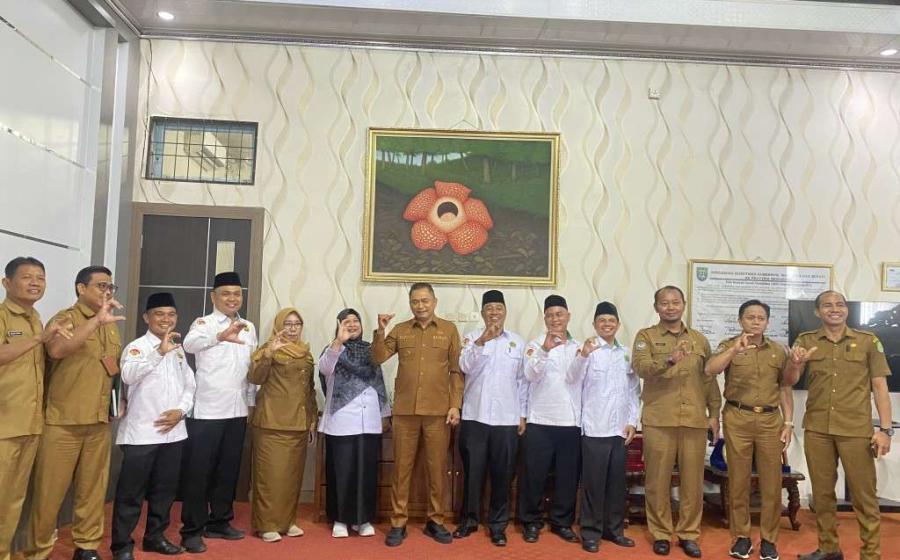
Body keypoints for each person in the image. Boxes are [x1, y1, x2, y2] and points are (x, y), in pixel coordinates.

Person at [25, 265, 125, 560]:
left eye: (110, 287)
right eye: (101, 286)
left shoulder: (110, 325)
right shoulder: (65, 318)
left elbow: (112, 368)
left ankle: (87, 546)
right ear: (81, 288)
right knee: (49, 493)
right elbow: (57, 350)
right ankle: (39, 550)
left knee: (92, 490)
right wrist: (95, 321)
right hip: (63, 422)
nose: (107, 291)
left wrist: (116, 402)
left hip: (98, 420)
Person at [786, 290, 893, 560]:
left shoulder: (868, 341)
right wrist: (796, 364)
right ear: (817, 311)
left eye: (840, 304)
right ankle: (829, 549)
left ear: (846, 309)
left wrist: (885, 430)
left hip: (855, 431)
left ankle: (871, 555)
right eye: (827, 305)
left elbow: (880, 387)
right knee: (822, 495)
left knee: (864, 497)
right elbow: (789, 380)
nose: (835, 309)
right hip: (818, 430)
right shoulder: (806, 341)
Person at [371, 282, 463, 547]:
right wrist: (381, 331)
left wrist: (455, 405)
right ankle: (398, 522)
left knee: (437, 469)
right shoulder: (400, 330)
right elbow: (378, 357)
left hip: (438, 412)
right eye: (415, 301)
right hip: (405, 412)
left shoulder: (449, 330)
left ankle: (436, 520)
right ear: (410, 303)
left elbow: (456, 371)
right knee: (401, 469)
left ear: (434, 302)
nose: (420, 306)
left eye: (425, 301)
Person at [632, 285, 721, 558]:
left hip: (694, 420)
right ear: (656, 307)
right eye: (664, 303)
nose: (670, 307)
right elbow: (641, 368)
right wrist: (669, 360)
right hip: (660, 419)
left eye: (675, 302)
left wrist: (714, 414)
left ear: (683, 304)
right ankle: (660, 533)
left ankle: (688, 534)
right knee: (657, 481)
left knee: (693, 482)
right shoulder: (646, 336)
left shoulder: (699, 340)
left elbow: (709, 378)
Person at [111, 293, 196, 560]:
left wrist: (181, 411)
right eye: (159, 314)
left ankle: (155, 537)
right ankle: (122, 545)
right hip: (141, 434)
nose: (165, 319)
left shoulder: (179, 350)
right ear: (146, 318)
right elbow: (128, 376)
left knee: (165, 491)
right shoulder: (136, 348)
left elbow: (190, 385)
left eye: (171, 314)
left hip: (173, 433)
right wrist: (159, 352)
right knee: (131, 494)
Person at [705, 299, 792, 560]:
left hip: (769, 420)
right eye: (750, 317)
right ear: (740, 320)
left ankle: (769, 540)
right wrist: (734, 350)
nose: (755, 322)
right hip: (737, 417)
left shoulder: (778, 351)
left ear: (767, 322)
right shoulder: (728, 345)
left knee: (771, 483)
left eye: (760, 318)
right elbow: (710, 369)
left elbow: (785, 388)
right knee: (738, 481)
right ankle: (741, 537)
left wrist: (788, 422)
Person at [179, 271, 258, 553]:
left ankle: (220, 521)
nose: (232, 298)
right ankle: (191, 530)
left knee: (228, 471)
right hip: (207, 411)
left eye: (237, 294)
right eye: (226, 294)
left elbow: (251, 368)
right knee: (199, 473)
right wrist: (219, 336)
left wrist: (251, 402)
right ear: (214, 297)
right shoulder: (204, 323)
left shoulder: (248, 327)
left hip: (237, 409)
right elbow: (189, 345)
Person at [0, 257, 70, 560]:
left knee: (14, 500)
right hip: (4, 423)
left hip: (30, 424)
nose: (35, 283)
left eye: (40, 277)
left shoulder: (36, 318)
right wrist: (39, 338)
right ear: (7, 283)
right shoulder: (3, 316)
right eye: (27, 277)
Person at [453, 290, 526, 547]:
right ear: (483, 312)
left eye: (498, 308)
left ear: (505, 311)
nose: (494, 312)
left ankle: (497, 525)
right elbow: (464, 366)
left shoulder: (517, 342)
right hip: (475, 416)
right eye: (489, 308)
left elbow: (522, 382)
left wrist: (522, 414)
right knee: (472, 473)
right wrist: (482, 340)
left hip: (507, 419)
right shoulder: (471, 337)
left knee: (502, 475)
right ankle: (469, 520)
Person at [567, 301, 639, 554]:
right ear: (595, 324)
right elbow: (572, 379)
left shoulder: (626, 353)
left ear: (618, 325)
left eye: (611, 320)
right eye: (602, 321)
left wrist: (632, 421)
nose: (607, 324)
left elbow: (633, 390)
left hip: (619, 430)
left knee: (616, 485)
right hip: (594, 428)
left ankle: (614, 530)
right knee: (593, 485)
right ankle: (590, 532)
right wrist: (583, 355)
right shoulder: (587, 349)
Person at [319, 308, 391, 539]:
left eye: (355, 321)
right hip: (341, 421)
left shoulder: (371, 350)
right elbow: (324, 368)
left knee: (366, 473)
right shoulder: (333, 350)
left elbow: (380, 382)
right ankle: (340, 519)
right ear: (339, 325)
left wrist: (385, 415)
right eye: (346, 321)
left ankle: (363, 519)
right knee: (342, 473)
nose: (352, 324)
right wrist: (338, 342)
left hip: (369, 421)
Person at [518, 294, 583, 545]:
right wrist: (545, 349)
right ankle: (531, 522)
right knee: (534, 476)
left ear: (568, 316)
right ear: (544, 319)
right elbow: (530, 375)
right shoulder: (534, 344)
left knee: (567, 477)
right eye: (550, 315)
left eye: (559, 314)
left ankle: (562, 522)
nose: (555, 319)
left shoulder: (579, 347)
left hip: (570, 421)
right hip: (539, 420)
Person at [247, 307, 316, 542]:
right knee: (269, 477)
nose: (293, 328)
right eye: (287, 323)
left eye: (297, 324)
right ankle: (266, 525)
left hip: (298, 423)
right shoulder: (268, 349)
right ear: (278, 326)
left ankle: (287, 522)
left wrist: (312, 418)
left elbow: (309, 389)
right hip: (272, 423)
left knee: (291, 478)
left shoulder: (305, 352)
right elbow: (254, 377)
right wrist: (269, 354)